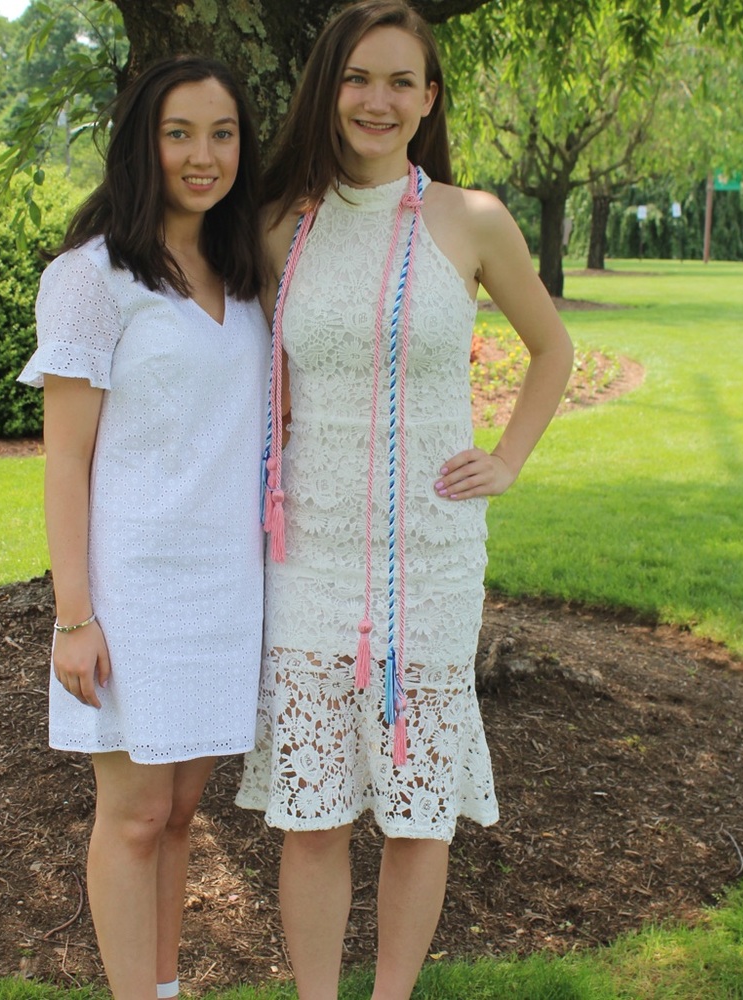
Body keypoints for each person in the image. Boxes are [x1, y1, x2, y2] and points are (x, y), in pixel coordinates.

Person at [235, 3, 574, 998]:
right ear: (326, 90)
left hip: (426, 554)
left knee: (417, 807)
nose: (376, 100)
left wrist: (506, 459)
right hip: (309, 553)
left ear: (428, 100)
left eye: (399, 82)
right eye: (357, 79)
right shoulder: (277, 227)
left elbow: (551, 349)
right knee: (312, 811)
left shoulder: (470, 220)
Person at [17, 56, 268, 1000]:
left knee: (179, 812)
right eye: (179, 134)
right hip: (132, 588)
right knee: (130, 817)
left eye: (223, 134)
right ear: (142, 143)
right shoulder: (91, 278)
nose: (203, 156)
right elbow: (66, 462)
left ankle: (163, 988)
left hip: (225, 584)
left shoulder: (245, 271)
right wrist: (73, 615)